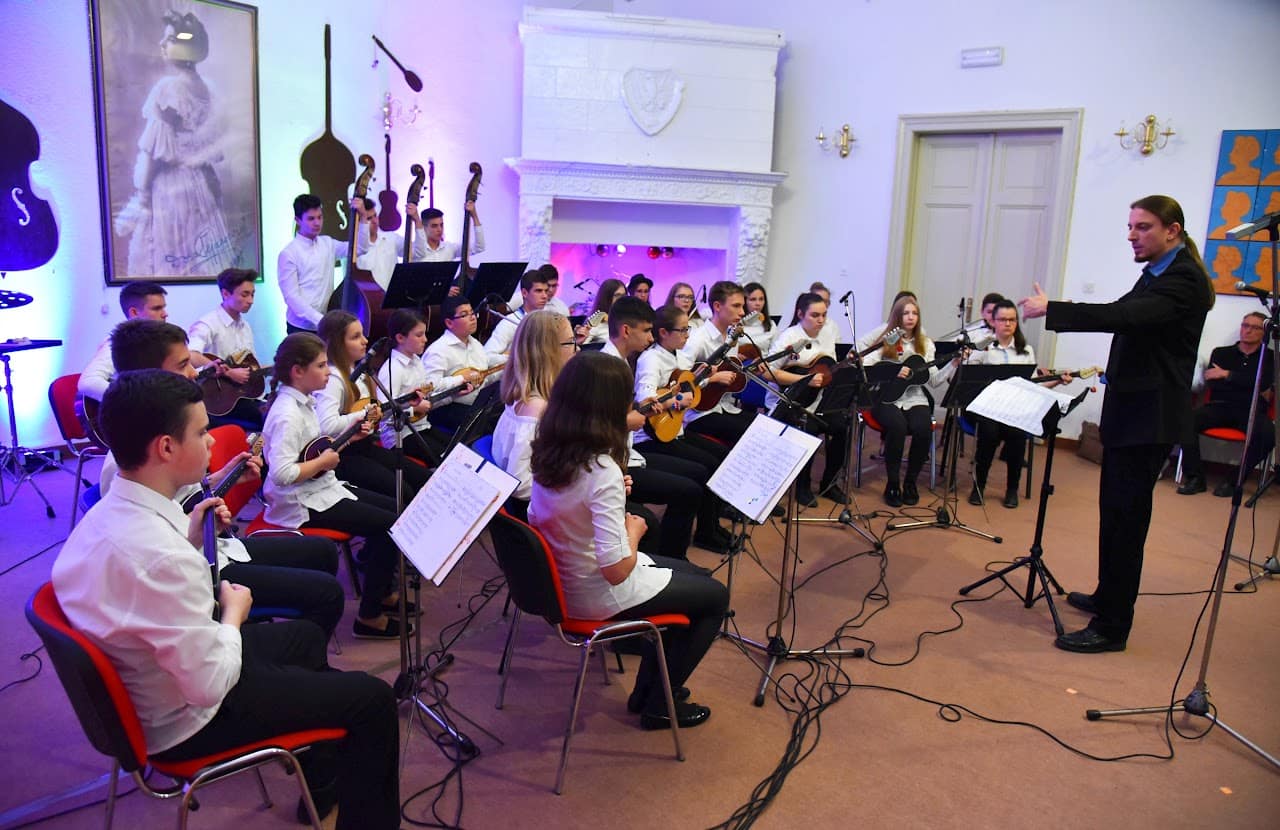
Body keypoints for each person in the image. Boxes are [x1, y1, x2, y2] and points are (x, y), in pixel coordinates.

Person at [52, 369, 400, 828]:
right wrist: (234, 617)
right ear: (166, 448)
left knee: (304, 638)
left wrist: (192, 539)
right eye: (202, 432)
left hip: (156, 681)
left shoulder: (109, 514)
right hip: (189, 719)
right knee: (373, 700)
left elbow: (151, 587)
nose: (213, 441)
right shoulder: (161, 557)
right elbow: (210, 683)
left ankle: (320, 778)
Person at [1020, 194, 1215, 653]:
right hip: (1133, 411)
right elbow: (1124, 317)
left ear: (1172, 230)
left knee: (1126, 521)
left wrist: (1055, 309)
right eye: (1130, 226)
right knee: (1115, 513)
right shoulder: (1157, 273)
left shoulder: (1183, 279)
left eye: (1142, 227)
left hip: (1149, 417)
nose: (1131, 235)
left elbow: (1123, 316)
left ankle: (1112, 627)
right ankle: (1109, 596)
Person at [97, 319, 345, 638]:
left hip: (217, 546)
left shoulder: (166, 435)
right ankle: (284, 651)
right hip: (201, 569)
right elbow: (156, 555)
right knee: (326, 592)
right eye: (183, 364)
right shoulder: (125, 464)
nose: (194, 373)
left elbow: (184, 498)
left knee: (322, 552)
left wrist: (224, 477)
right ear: (150, 376)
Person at [528, 351, 729, 730]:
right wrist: (633, 530)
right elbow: (617, 570)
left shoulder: (550, 448)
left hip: (565, 579)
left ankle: (650, 691)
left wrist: (607, 497)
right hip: (595, 592)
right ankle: (660, 703)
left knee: (695, 576)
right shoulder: (599, 467)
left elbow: (539, 515)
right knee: (715, 597)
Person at [262, 333, 411, 640]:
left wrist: (349, 438)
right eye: (321, 366)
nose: (328, 372)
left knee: (395, 510)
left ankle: (382, 592)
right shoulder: (287, 414)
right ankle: (369, 617)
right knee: (390, 525)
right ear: (297, 371)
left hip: (319, 488)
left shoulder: (304, 402)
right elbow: (281, 474)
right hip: (300, 502)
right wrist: (322, 463)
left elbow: (314, 449)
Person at [113, 10, 236, 280]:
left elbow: (153, 152)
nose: (161, 44)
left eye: (168, 39)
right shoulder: (208, 89)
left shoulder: (169, 88)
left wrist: (143, 193)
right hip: (201, 185)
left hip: (170, 189)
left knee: (169, 259)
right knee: (198, 258)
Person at [604, 298, 727, 557]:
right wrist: (631, 419)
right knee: (690, 488)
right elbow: (599, 419)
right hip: (619, 460)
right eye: (647, 330)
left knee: (701, 472)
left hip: (627, 454)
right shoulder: (609, 366)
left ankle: (687, 546)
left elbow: (634, 406)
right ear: (626, 330)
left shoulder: (621, 361)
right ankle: (673, 558)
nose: (651, 337)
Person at [316, 309, 431, 497]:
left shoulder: (361, 373)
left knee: (423, 478)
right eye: (355, 337)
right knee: (403, 492)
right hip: (344, 455)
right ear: (337, 343)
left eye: (362, 334)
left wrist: (404, 403)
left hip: (366, 446)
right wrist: (364, 414)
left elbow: (377, 414)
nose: (365, 341)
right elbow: (326, 426)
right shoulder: (333, 379)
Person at [1176, 311, 1275, 497]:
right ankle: (1195, 478)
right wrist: (1248, 382)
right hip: (1220, 406)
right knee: (1185, 422)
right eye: (1245, 325)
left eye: (1254, 327)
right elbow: (1214, 383)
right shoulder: (1221, 353)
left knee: (1268, 435)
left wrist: (1227, 374)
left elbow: (1264, 383)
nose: (1247, 330)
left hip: (1251, 410)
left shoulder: (1270, 357)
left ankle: (1233, 481)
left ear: (1264, 332)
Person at [761, 292, 842, 506]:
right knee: (809, 429)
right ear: (800, 314)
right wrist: (804, 379)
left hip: (819, 400)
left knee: (843, 427)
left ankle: (829, 483)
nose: (821, 320)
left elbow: (829, 366)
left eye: (824, 315)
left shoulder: (827, 334)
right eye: (815, 315)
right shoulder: (788, 337)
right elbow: (768, 372)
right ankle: (802, 486)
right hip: (789, 402)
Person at [492, 309, 578, 508]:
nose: (577, 349)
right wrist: (575, 486)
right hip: (536, 508)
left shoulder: (524, 396)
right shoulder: (537, 409)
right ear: (548, 351)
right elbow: (520, 484)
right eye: (570, 342)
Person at [861, 296, 941, 507]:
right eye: (906, 313)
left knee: (923, 427)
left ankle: (911, 482)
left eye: (914, 313)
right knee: (897, 426)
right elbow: (866, 368)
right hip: (886, 398)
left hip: (915, 397)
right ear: (897, 316)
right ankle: (893, 483)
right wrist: (893, 370)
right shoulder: (887, 340)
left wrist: (954, 364)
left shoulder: (925, 344)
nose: (911, 317)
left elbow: (934, 380)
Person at [964, 300, 1038, 509]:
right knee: (989, 433)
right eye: (1003, 319)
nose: (1008, 324)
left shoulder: (1026, 351)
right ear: (993, 322)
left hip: (1013, 408)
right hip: (988, 407)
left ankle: (1012, 489)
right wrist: (967, 358)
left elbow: (1033, 383)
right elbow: (966, 377)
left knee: (1017, 433)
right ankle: (979, 486)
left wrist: (1058, 380)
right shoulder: (984, 347)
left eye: (1012, 320)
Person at [188, 267, 265, 429]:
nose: (250, 300)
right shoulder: (207, 324)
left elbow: (250, 364)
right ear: (225, 294)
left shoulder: (245, 326)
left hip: (241, 396)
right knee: (268, 419)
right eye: (244, 295)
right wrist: (228, 372)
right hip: (217, 402)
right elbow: (191, 355)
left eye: (252, 294)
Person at [680, 280, 754, 444]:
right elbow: (680, 382)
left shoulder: (731, 337)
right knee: (749, 435)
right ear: (717, 306)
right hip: (698, 413)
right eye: (736, 306)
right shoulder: (697, 339)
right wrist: (713, 379)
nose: (742, 312)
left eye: (742, 306)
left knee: (763, 426)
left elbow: (730, 380)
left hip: (725, 406)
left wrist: (750, 372)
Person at [375, 308, 449, 466]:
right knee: (444, 459)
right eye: (419, 335)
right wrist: (413, 409)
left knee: (455, 448)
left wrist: (453, 392)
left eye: (425, 334)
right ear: (400, 338)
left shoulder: (416, 360)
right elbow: (384, 413)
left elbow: (425, 396)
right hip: (400, 436)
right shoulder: (392, 369)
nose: (425, 339)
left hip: (421, 426)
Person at [79, 281, 170, 402]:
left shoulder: (159, 340)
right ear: (134, 313)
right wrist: (135, 400)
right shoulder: (120, 343)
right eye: (157, 308)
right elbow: (88, 382)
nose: (165, 314)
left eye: (164, 307)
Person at [422, 294, 498, 433]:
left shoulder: (475, 344)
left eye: (472, 313)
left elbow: (483, 377)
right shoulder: (438, 350)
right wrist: (461, 379)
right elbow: (429, 389)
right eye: (464, 315)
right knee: (485, 428)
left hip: (475, 404)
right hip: (447, 409)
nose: (473, 318)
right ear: (449, 323)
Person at [278, 194, 345, 333]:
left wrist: (363, 218)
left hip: (325, 322)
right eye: (311, 218)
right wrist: (320, 320)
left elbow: (359, 248)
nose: (317, 223)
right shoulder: (289, 253)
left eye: (320, 217)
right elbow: (292, 297)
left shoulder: (328, 243)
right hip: (300, 327)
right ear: (298, 220)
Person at [354, 196, 427, 290]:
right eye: (369, 219)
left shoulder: (391, 238)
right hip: (367, 298)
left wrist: (417, 220)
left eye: (375, 215)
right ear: (360, 222)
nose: (375, 221)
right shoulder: (355, 248)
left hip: (393, 297)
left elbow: (419, 253)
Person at [486, 270, 551, 356]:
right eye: (539, 291)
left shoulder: (550, 321)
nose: (545, 296)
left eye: (546, 291)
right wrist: (515, 356)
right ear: (524, 293)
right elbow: (488, 356)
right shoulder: (509, 323)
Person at [577, 277, 626, 346]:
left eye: (624, 295)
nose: (622, 299)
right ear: (607, 298)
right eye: (617, 296)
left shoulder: (629, 320)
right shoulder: (596, 324)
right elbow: (582, 349)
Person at [741, 281, 776, 354]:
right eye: (753, 299)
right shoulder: (735, 324)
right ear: (744, 301)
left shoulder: (771, 325)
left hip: (763, 360)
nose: (758, 303)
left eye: (761, 299)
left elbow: (775, 351)